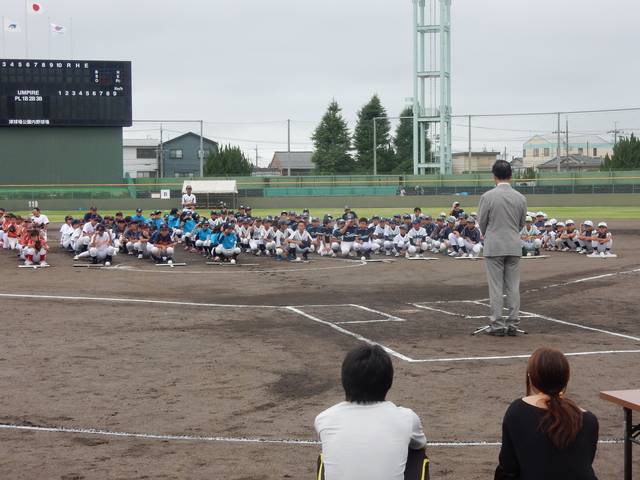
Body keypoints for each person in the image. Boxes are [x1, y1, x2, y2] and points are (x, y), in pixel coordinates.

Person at [315, 345, 427, 480]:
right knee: (416, 453)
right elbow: (420, 445)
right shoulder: (407, 418)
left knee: (325, 457)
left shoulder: (324, 418)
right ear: (388, 381)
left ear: (345, 380)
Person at [495, 347, 598, 480]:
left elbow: (508, 468)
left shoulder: (518, 410)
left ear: (531, 378)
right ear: (566, 379)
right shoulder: (589, 420)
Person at [477, 160, 527, 336]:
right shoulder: (520, 197)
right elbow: (521, 223)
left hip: (494, 245)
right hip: (513, 245)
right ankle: (513, 324)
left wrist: (489, 234)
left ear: (494, 176)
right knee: (513, 286)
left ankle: (497, 324)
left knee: (496, 287)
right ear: (511, 176)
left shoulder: (487, 196)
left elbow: (481, 222)